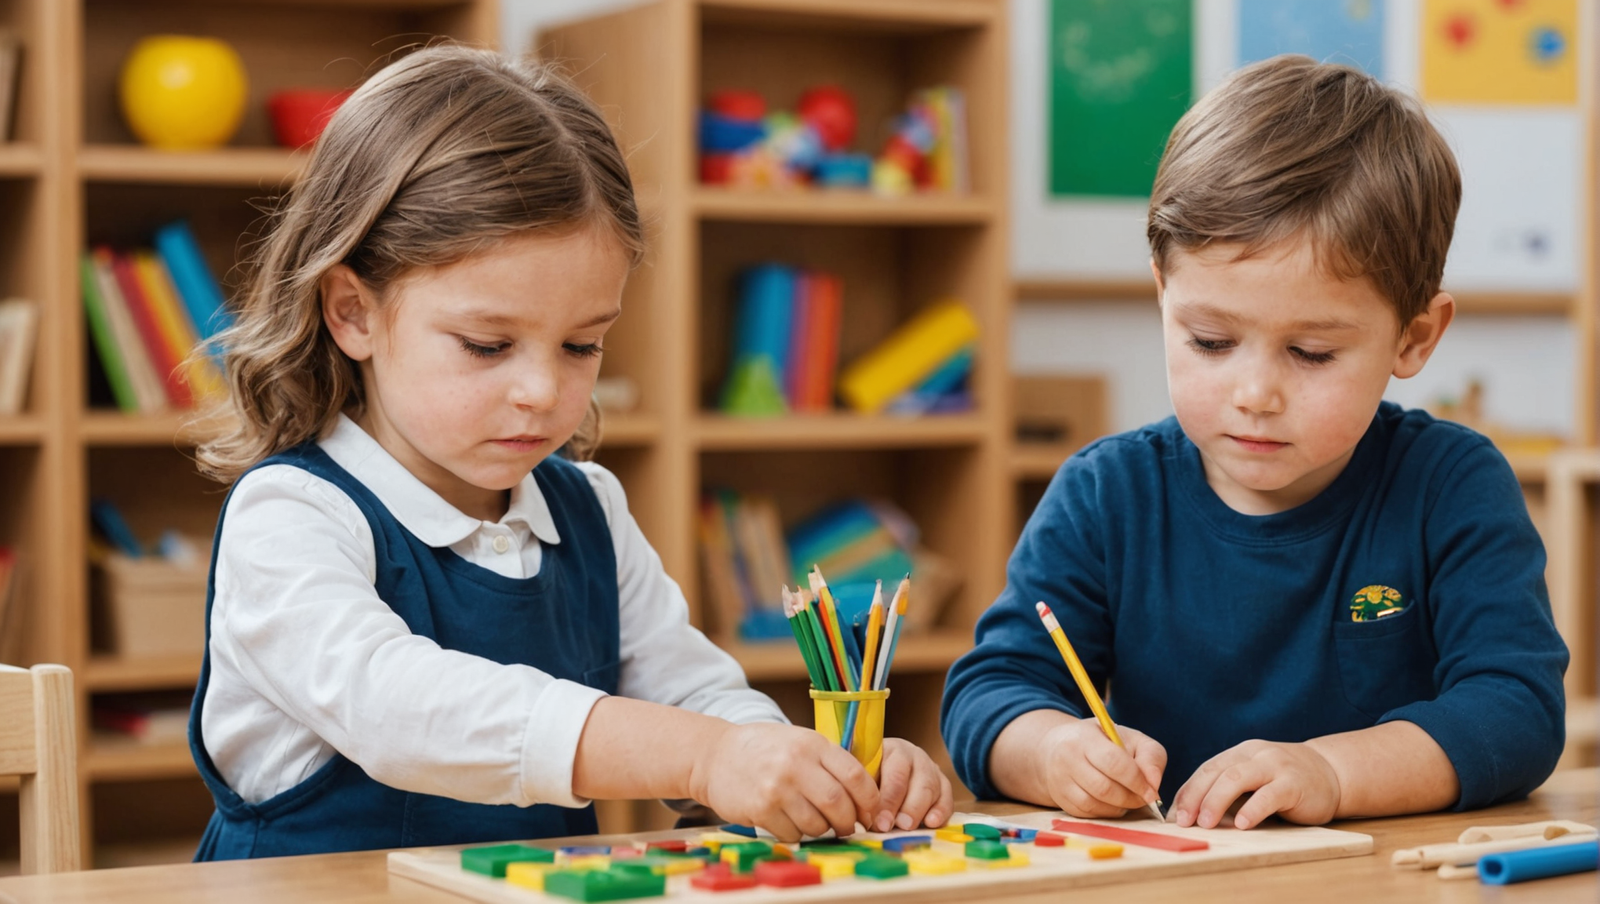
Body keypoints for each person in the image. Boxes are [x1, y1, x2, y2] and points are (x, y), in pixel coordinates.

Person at [187, 45, 951, 859]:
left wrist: (796, 771)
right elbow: (399, 708)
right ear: (354, 313)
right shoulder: (290, 516)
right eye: (487, 345)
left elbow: (694, 693)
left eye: (582, 345)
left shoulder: (588, 509)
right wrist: (704, 757)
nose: (542, 391)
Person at [941, 55, 1567, 832]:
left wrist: (1333, 771)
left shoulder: (1452, 485)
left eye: (1310, 353)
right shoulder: (1105, 495)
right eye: (1209, 341)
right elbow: (989, 695)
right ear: (1162, 295)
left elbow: (1516, 711)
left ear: (1414, 338)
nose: (1255, 394)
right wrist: (1055, 750)